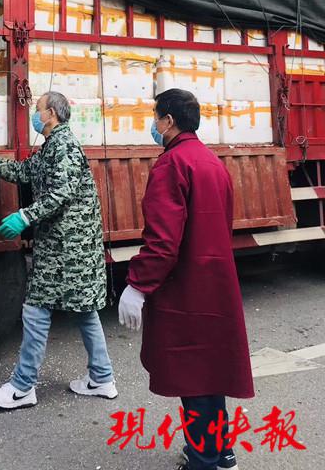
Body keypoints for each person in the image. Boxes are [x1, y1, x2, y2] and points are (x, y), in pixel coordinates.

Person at [118, 88, 254, 470]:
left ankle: (204, 460)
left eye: (156, 116)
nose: (154, 124)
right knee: (208, 372)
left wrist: (137, 285)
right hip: (213, 282)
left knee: (193, 376)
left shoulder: (172, 164)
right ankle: (219, 453)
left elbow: (163, 242)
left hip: (186, 288)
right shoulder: (211, 162)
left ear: (168, 121)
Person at [0, 90, 116, 409]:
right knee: (84, 311)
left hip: (67, 249)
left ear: (51, 114)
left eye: (37, 108)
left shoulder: (64, 145)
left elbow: (61, 193)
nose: (34, 113)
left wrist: (25, 216)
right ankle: (102, 377)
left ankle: (22, 387)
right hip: (69, 246)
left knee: (35, 308)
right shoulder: (52, 145)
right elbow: (24, 172)